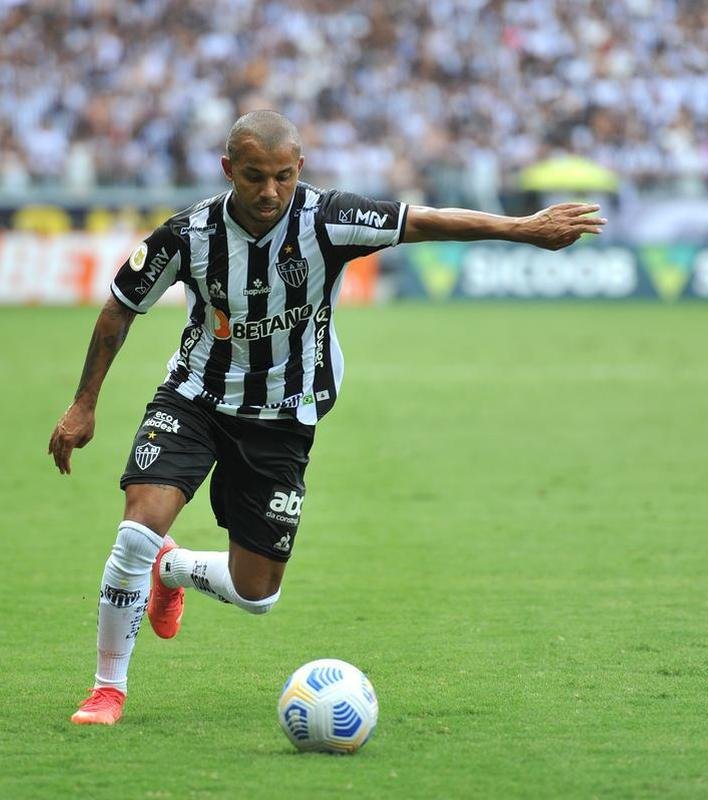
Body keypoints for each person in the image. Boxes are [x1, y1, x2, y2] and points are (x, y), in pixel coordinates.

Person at [47, 110, 605, 725]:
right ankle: (108, 689)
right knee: (135, 531)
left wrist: (523, 228)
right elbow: (118, 310)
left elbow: (425, 221)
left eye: (283, 177)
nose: (269, 192)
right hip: (195, 399)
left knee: (257, 593)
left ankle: (173, 568)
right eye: (254, 176)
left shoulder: (329, 219)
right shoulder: (186, 235)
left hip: (284, 416)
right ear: (228, 170)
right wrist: (83, 403)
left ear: (300, 170)